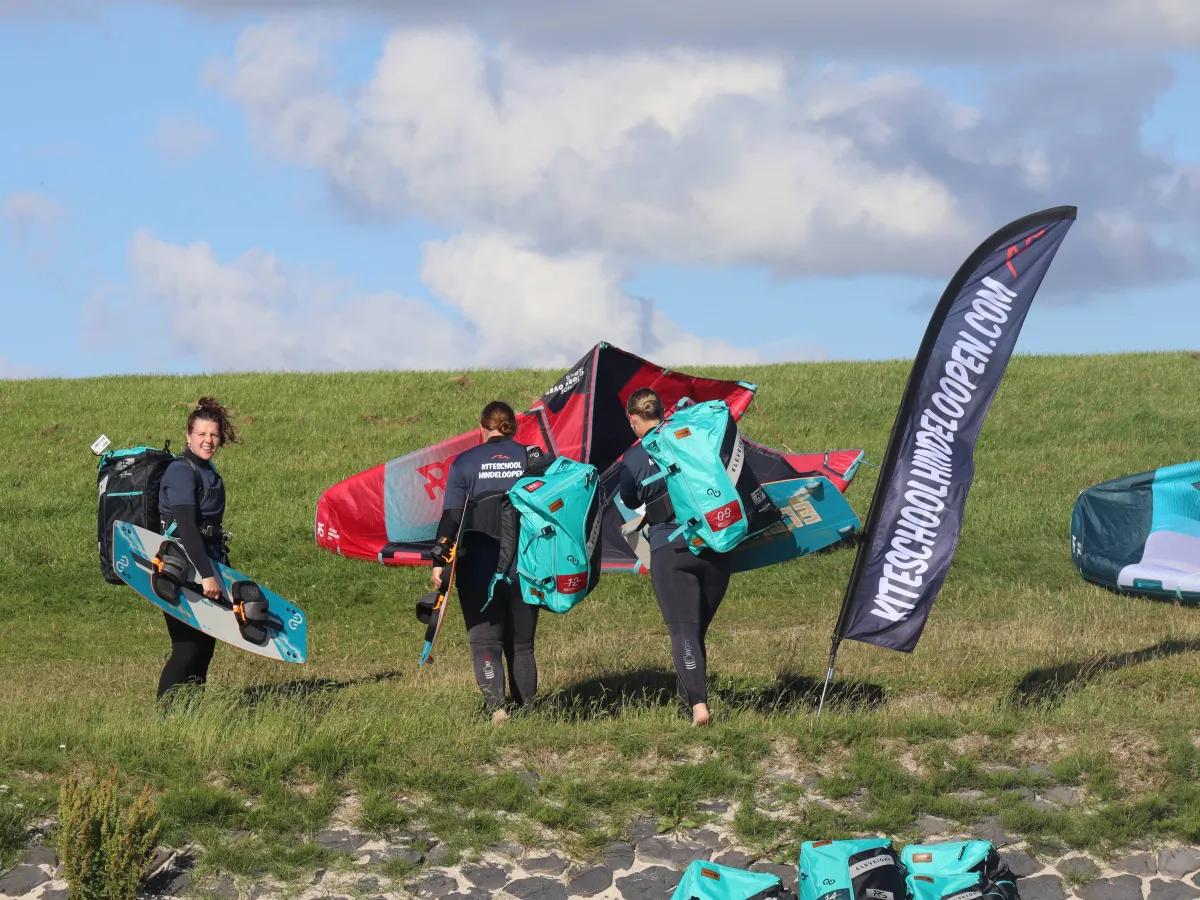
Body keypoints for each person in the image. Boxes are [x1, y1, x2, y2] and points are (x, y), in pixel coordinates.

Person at [619, 388, 732, 727]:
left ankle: (699, 706)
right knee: (695, 634)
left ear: (634, 420)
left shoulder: (635, 458)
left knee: (683, 631)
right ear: (663, 412)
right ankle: (687, 708)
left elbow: (628, 496)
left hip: (672, 548)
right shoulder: (691, 439)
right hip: (715, 545)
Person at [431, 401, 547, 724]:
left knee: (485, 639)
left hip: (479, 565)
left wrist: (439, 561)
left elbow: (452, 518)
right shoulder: (534, 458)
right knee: (522, 646)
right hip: (526, 563)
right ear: (514, 427)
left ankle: (497, 709)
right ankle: (529, 714)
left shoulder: (465, 463)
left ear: (481, 428)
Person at [156, 397, 239, 700]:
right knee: (186, 647)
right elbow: (187, 527)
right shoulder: (181, 471)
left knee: (204, 648)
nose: (208, 440)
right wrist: (207, 575)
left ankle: (191, 714)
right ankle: (166, 718)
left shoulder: (208, 471)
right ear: (188, 437)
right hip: (178, 568)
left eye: (214, 434)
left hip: (205, 565)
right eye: (202, 434)